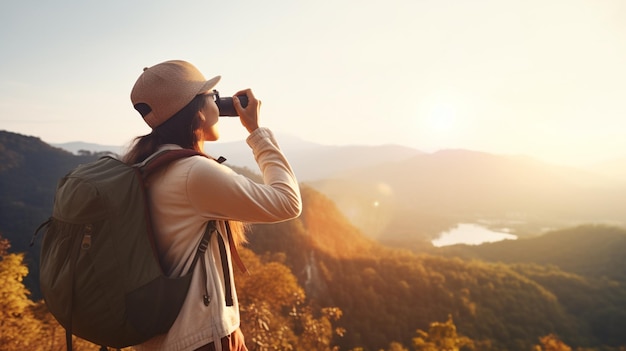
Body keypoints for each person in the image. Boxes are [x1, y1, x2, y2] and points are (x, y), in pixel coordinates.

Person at [124, 60, 302, 351]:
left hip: (164, 338)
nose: (219, 103)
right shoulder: (193, 173)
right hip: (198, 340)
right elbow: (288, 202)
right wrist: (256, 131)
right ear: (196, 111)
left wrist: (229, 324)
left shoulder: (143, 165)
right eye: (213, 96)